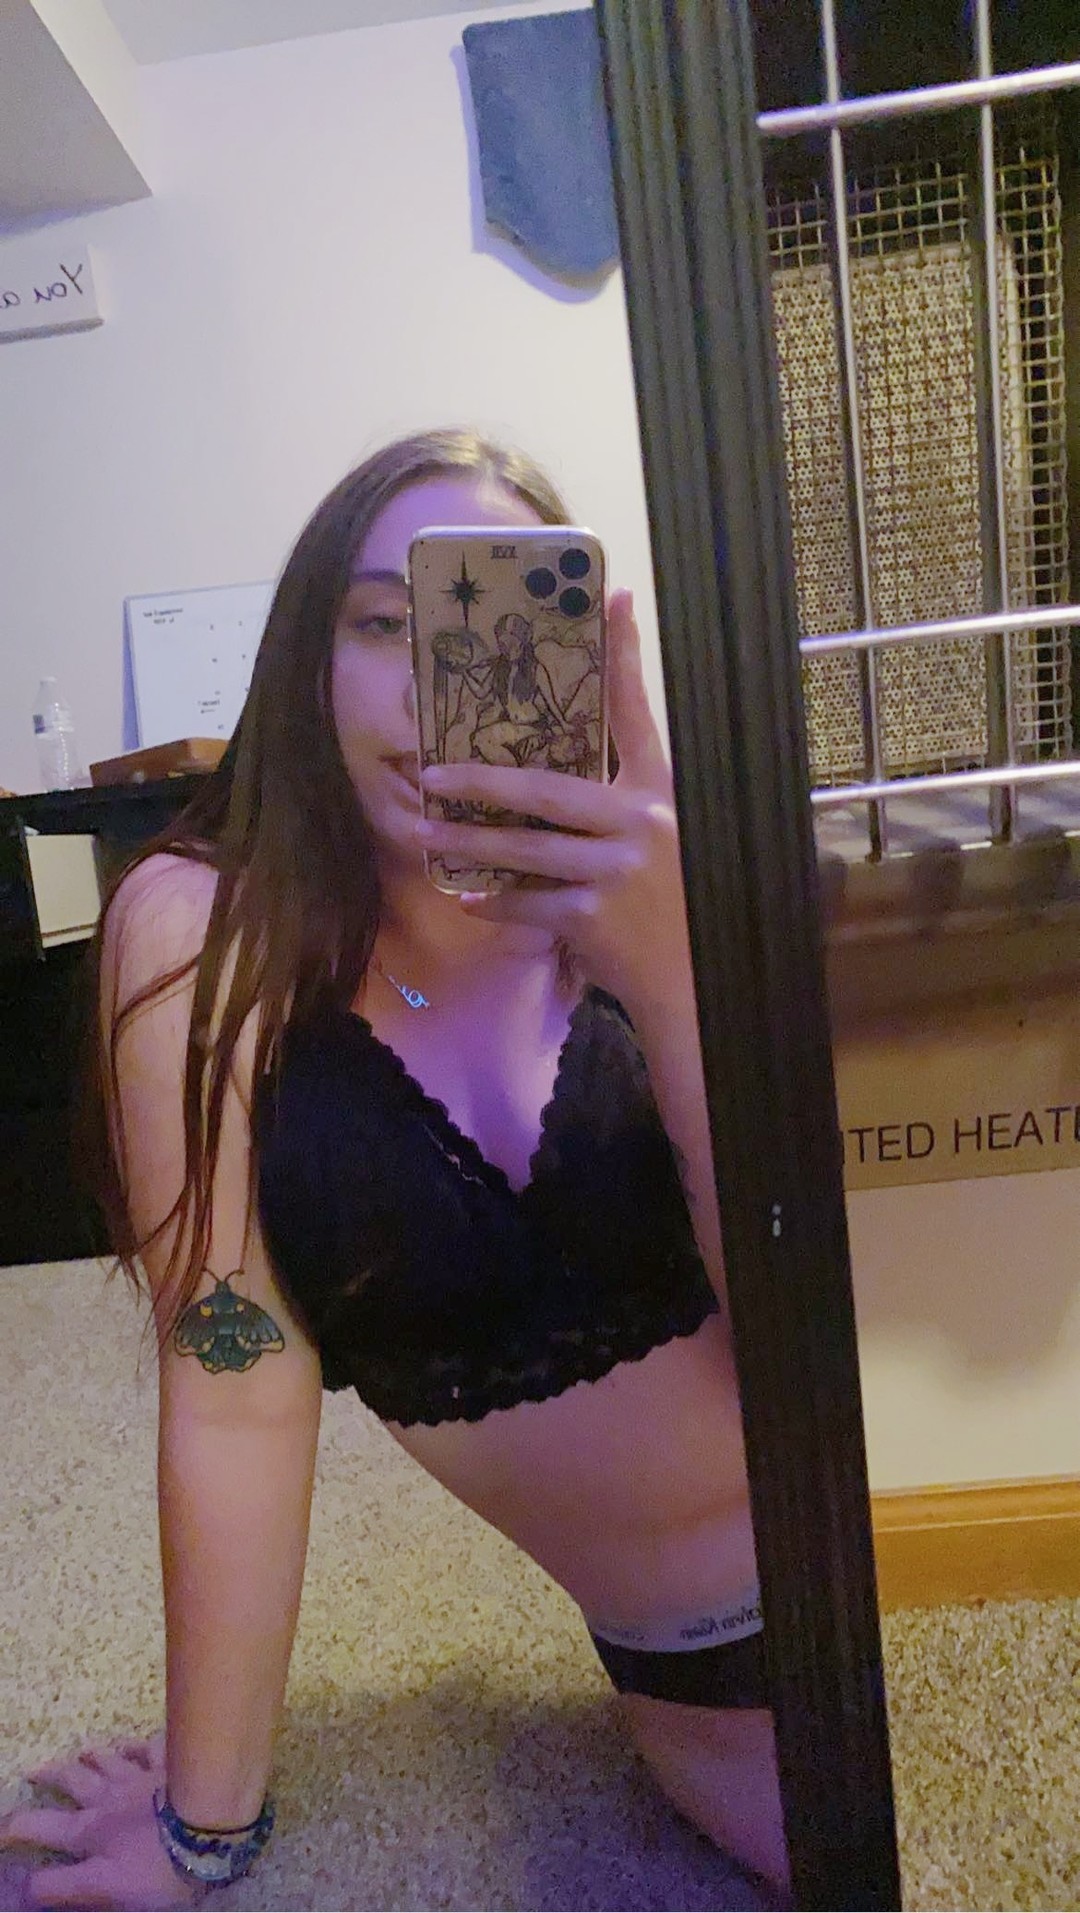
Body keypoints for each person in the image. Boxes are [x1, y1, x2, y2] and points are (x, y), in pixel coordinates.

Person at [0, 429, 789, 1909]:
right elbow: (230, 1381)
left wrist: (678, 976)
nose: (445, 679)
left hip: (918, 1552)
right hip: (723, 1691)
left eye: (509, 618)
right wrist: (203, 1824)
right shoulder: (199, 937)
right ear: (308, 662)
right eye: (386, 621)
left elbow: (844, 1379)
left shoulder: (676, 894)